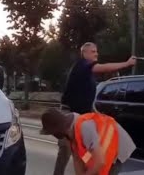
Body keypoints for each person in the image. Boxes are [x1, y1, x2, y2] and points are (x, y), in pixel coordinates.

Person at [54, 42, 136, 175]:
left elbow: (87, 99)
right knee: (67, 150)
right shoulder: (82, 65)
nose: (96, 53)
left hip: (82, 116)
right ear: (84, 53)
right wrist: (126, 64)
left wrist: (97, 115)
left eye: (96, 51)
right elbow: (102, 67)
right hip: (68, 114)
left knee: (83, 152)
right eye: (92, 51)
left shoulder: (88, 75)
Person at [41, 108, 136, 175]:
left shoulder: (84, 127)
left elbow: (100, 162)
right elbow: (77, 159)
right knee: (90, 167)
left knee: (106, 170)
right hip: (99, 149)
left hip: (117, 147)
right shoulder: (69, 133)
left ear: (58, 130)